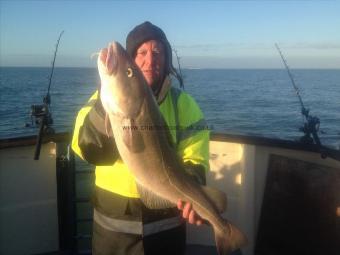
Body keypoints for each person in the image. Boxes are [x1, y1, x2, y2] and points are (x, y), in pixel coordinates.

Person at [71, 21, 210, 255]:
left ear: (166, 59)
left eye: (158, 52)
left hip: (167, 225)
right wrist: (107, 108)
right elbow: (88, 150)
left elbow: (196, 157)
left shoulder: (185, 105)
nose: (150, 60)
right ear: (134, 59)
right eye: (141, 52)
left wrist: (193, 192)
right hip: (114, 227)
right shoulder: (101, 100)